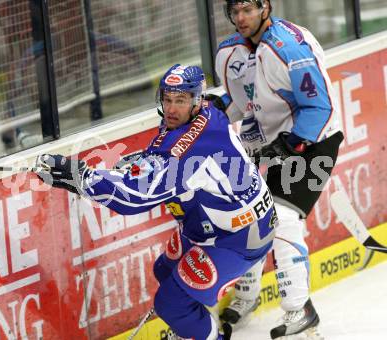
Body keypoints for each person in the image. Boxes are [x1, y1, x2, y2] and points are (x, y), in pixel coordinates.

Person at [35, 64, 277, 340]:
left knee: (170, 304)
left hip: (239, 237)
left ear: (196, 101)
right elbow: (166, 159)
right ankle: (192, 327)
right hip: (211, 225)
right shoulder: (203, 114)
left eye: (181, 100)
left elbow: (135, 198)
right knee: (164, 269)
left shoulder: (189, 148)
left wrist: (80, 176)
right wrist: (143, 162)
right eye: (168, 99)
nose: (172, 108)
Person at [214, 1, 344, 338]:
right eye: (235, 11)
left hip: (314, 142)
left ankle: (301, 312)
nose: (240, 18)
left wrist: (291, 145)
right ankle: (247, 295)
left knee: (281, 217)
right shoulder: (231, 53)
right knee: (246, 214)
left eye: (247, 9)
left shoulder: (289, 46)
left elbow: (320, 106)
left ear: (265, 7)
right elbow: (241, 105)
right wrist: (212, 116)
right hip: (270, 146)